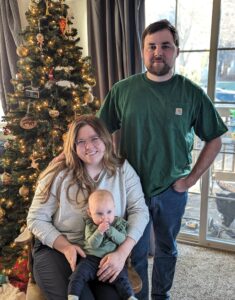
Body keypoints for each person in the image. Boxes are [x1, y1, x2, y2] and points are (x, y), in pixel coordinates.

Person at [97, 19, 228, 300]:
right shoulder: (123, 90)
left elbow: (215, 139)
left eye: (165, 46)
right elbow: (99, 132)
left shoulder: (191, 93)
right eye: (151, 46)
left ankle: (162, 295)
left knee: (167, 248)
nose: (158, 52)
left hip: (172, 190)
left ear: (176, 51)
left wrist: (191, 179)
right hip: (132, 190)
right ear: (143, 51)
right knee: (137, 251)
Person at [27, 115, 149, 300]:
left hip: (102, 252)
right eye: (80, 141)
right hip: (57, 250)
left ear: (105, 139)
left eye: (94, 139)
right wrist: (66, 247)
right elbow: (36, 218)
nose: (89, 147)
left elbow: (139, 211)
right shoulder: (57, 173)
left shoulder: (123, 170)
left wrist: (122, 253)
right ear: (73, 146)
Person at [68, 189, 137, 300]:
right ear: (90, 213)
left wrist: (110, 230)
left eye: (109, 212)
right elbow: (92, 244)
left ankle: (129, 297)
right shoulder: (90, 225)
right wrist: (99, 232)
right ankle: (73, 295)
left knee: (122, 278)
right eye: (99, 213)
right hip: (90, 259)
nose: (105, 217)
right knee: (78, 274)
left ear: (114, 208)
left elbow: (122, 240)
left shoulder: (119, 223)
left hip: (111, 260)